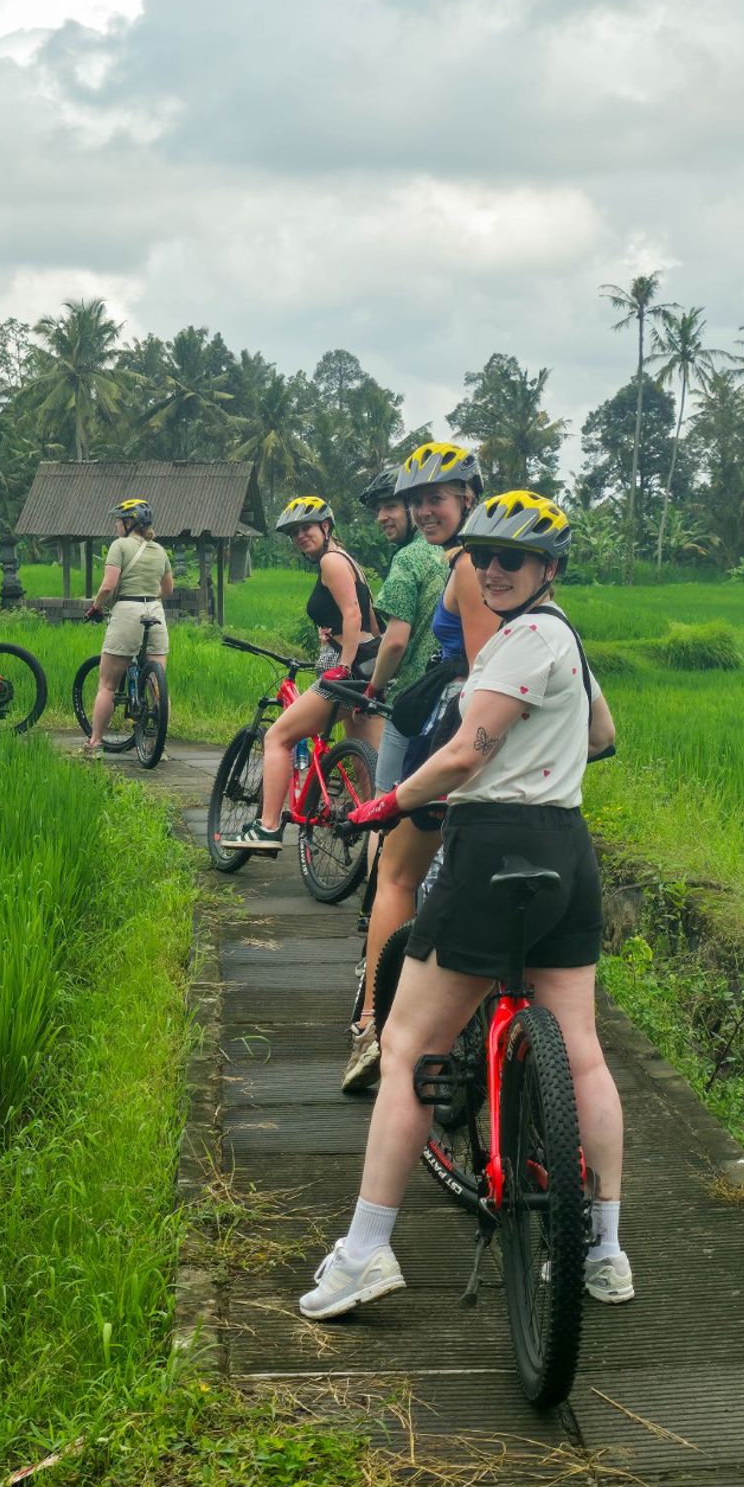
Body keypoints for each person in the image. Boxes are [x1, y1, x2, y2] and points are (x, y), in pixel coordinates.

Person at [298, 489, 632, 1317]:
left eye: (512, 558)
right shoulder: (566, 637)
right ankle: (604, 1249)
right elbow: (602, 736)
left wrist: (388, 802)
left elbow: (462, 754)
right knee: (582, 1051)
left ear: (549, 568)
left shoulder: (519, 642)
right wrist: (542, 753)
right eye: (483, 557)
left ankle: (365, 1251)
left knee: (409, 1044)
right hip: (565, 848)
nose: (492, 571)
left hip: (491, 849)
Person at [340, 441, 490, 1091]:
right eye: (418, 500)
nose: (425, 511)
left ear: (469, 498)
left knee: (396, 873)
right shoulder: (488, 560)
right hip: (483, 733)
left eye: (438, 499)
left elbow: (484, 673)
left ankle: (371, 1024)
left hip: (457, 731)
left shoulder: (468, 565)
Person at [237, 495, 378, 856]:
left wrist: (343, 665)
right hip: (369, 667)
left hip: (347, 670)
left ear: (326, 527)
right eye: (294, 532)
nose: (300, 536)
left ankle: (268, 826)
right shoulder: (349, 561)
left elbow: (353, 614)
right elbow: (370, 619)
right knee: (367, 770)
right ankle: (377, 848)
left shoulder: (331, 560)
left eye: (306, 528)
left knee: (277, 737)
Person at [82, 496, 175, 755]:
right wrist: (148, 595)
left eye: (119, 521)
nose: (116, 525)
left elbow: (108, 586)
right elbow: (168, 589)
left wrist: (96, 606)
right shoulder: (159, 551)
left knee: (107, 685)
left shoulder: (119, 546)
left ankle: (95, 743)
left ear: (129, 523)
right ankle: (158, 745)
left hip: (127, 612)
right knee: (157, 685)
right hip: (155, 612)